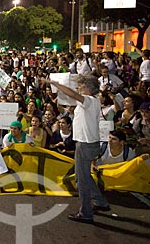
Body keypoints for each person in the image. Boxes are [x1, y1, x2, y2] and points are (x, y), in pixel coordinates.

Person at [47, 75, 109, 224]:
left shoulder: (89, 100)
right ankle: (100, 202)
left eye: (80, 86)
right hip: (86, 144)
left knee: (81, 179)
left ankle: (86, 213)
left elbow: (72, 94)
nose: (78, 88)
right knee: (84, 176)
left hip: (85, 144)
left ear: (87, 87)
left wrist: (55, 84)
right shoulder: (90, 103)